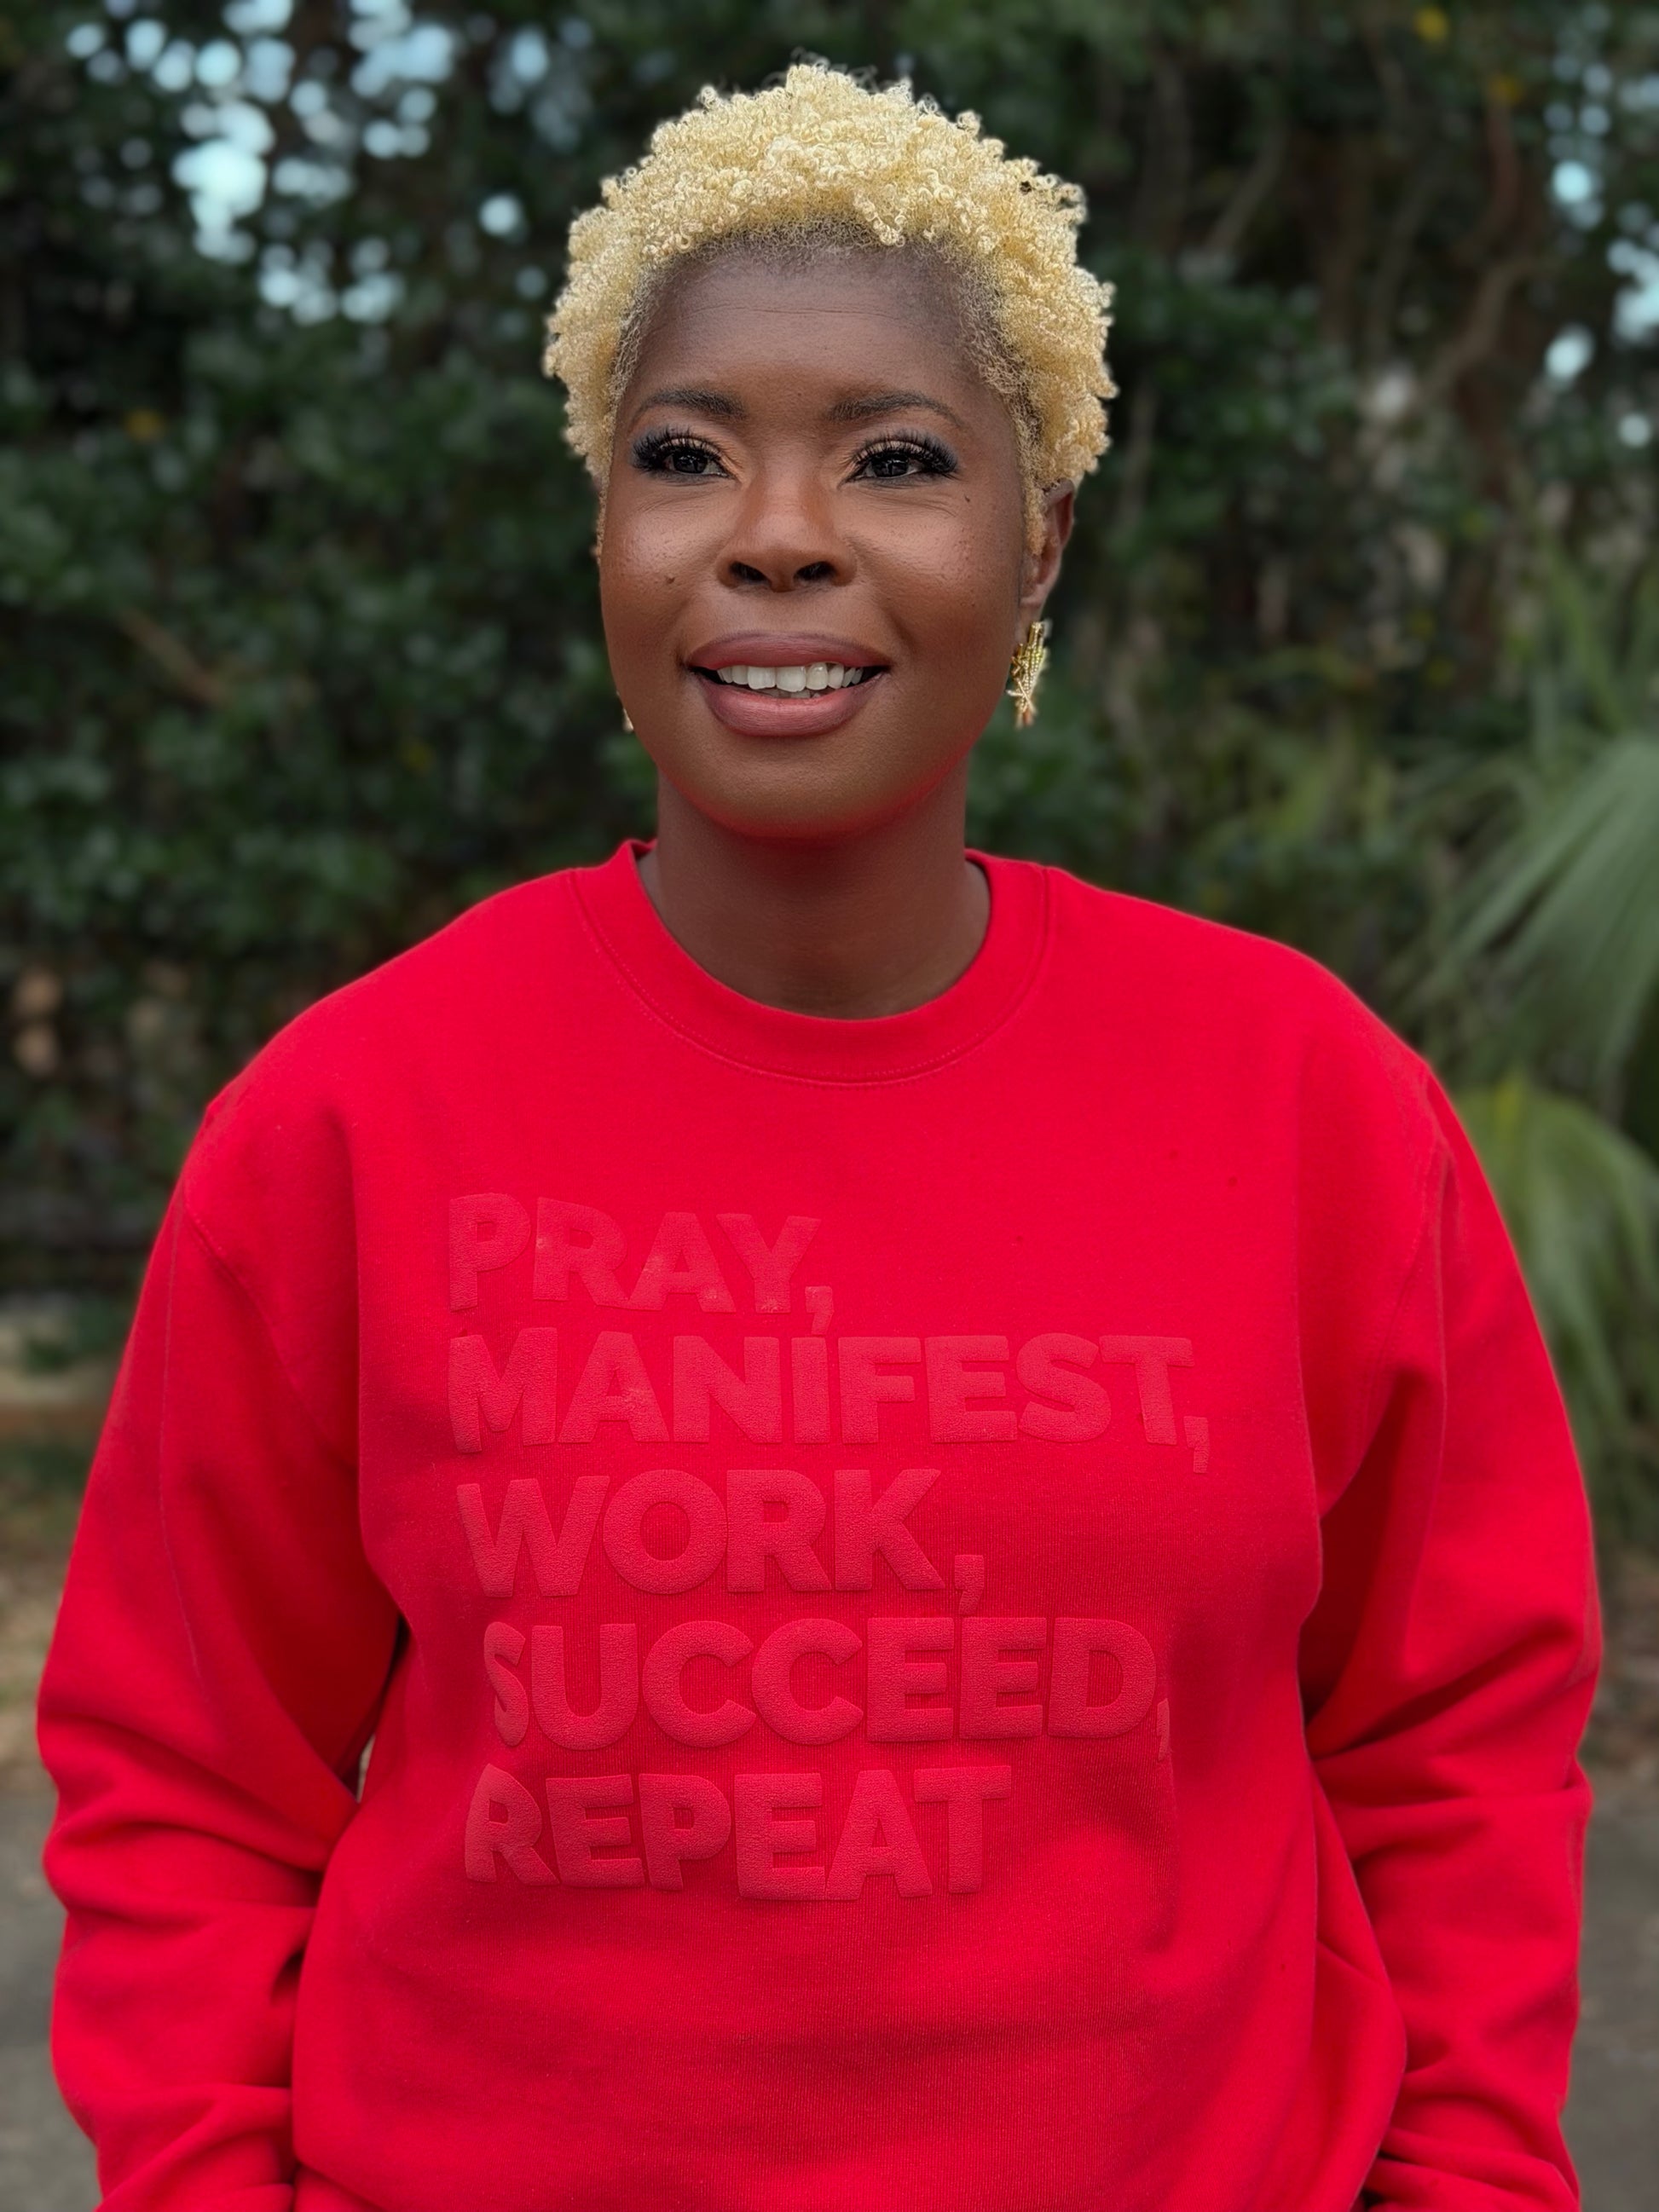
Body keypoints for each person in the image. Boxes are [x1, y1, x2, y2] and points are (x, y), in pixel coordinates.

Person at [37, 61, 1598, 2212]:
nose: (778, 528)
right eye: (684, 456)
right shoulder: (346, 1121)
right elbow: (187, 1780)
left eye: (894, 458)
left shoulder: (1308, 1100)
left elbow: (1452, 1745)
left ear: (1036, 538)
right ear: (606, 525)